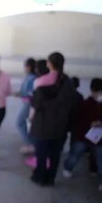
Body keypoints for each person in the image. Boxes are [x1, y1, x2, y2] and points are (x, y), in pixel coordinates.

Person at [29, 52, 76, 186]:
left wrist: (31, 119)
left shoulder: (40, 82)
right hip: (60, 126)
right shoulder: (68, 82)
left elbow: (35, 104)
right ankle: (50, 179)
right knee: (55, 154)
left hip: (42, 125)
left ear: (49, 63)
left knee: (42, 154)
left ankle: (39, 177)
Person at [63, 78, 102, 191]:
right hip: (85, 137)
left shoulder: (85, 103)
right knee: (75, 155)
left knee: (100, 159)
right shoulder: (85, 104)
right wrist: (91, 124)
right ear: (93, 91)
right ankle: (67, 168)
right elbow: (78, 121)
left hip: (94, 138)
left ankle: (94, 171)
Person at [15, 58, 36, 154]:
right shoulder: (29, 76)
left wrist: (21, 94)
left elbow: (31, 93)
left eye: (25, 66)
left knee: (19, 122)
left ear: (29, 67)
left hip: (29, 103)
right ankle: (30, 143)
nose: (24, 68)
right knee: (24, 123)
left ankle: (30, 144)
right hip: (26, 102)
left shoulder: (32, 78)